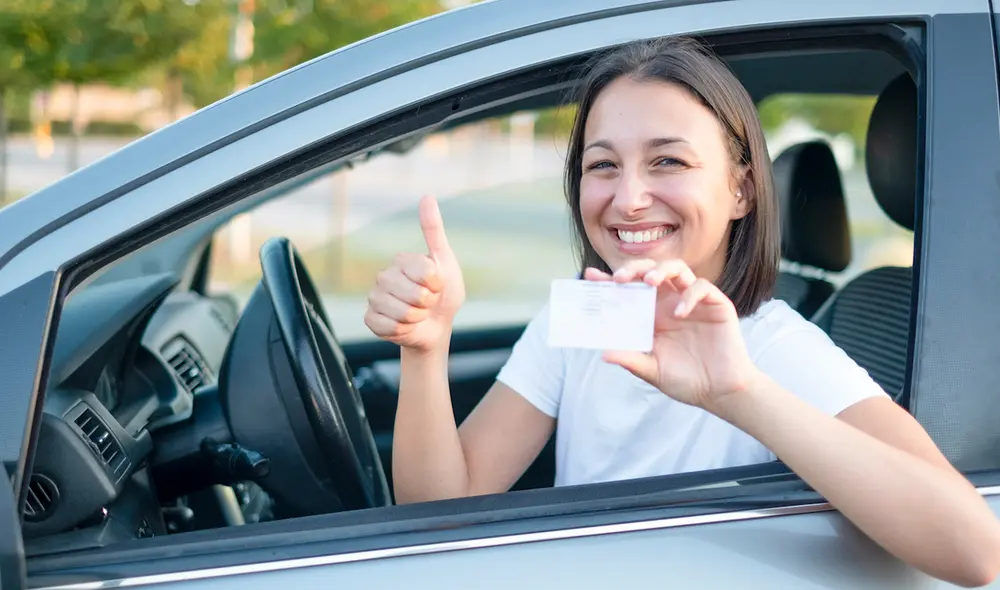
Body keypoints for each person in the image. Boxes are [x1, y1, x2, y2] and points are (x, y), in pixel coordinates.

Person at [364, 36, 1000, 586]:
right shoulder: (585, 319)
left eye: (667, 161)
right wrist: (426, 349)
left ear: (742, 190)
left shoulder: (773, 346)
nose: (630, 198)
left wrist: (738, 392)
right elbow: (440, 517)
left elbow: (974, 550)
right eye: (603, 165)